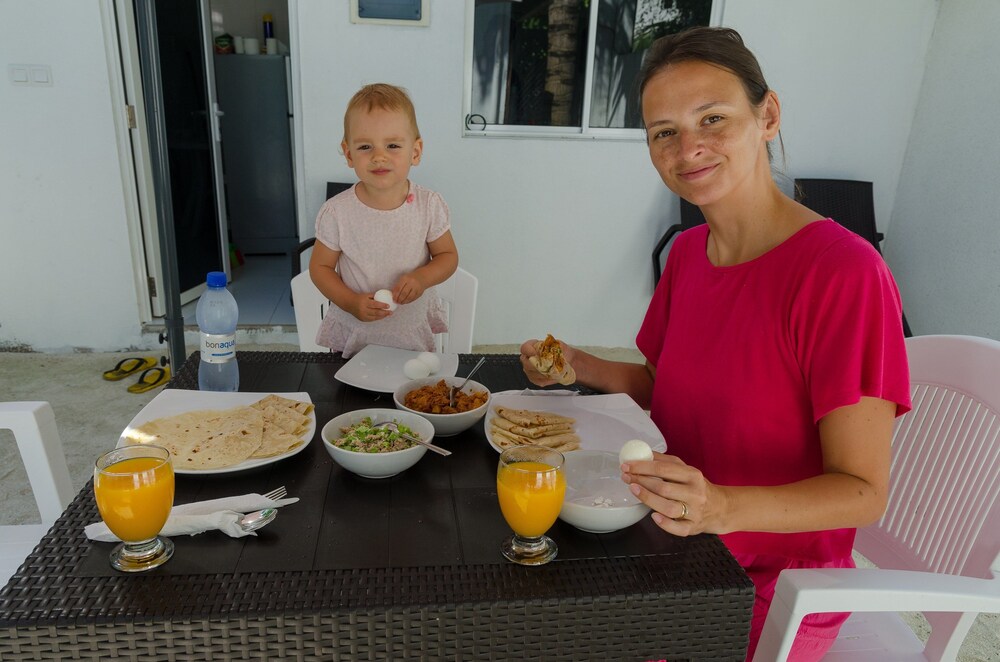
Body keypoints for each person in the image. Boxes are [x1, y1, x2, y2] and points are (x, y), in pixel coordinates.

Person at [520, 27, 911, 661]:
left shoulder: (844, 273)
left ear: (768, 116)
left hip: (763, 589)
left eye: (713, 118)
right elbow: (663, 388)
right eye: (663, 131)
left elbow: (863, 490)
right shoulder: (687, 255)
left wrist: (722, 506)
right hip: (667, 538)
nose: (689, 147)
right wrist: (577, 365)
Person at [309, 83, 458, 357]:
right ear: (349, 153)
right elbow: (320, 267)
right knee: (346, 399)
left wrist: (422, 278)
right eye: (365, 146)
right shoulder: (337, 212)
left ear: (415, 151)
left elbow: (448, 256)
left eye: (392, 145)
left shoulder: (429, 205)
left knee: (414, 395)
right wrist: (350, 301)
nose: (379, 156)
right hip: (355, 334)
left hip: (410, 331)